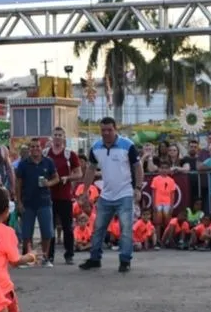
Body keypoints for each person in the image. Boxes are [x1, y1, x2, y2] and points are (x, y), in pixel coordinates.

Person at [79, 117, 143, 274]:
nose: (106, 133)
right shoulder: (95, 147)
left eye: (109, 130)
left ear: (116, 129)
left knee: (126, 229)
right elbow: (91, 169)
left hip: (125, 193)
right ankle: (95, 259)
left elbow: (138, 167)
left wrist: (138, 187)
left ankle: (125, 260)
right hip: (106, 195)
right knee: (98, 228)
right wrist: (85, 190)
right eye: (103, 130)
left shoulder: (127, 145)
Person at [14, 137, 58, 265]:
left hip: (44, 202)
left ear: (41, 148)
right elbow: (18, 184)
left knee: (47, 231)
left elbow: (57, 178)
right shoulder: (23, 163)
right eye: (32, 146)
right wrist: (19, 202)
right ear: (29, 149)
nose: (35, 149)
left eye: (37, 146)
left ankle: (45, 257)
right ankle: (28, 258)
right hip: (27, 202)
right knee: (27, 233)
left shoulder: (48, 162)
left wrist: (48, 183)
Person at [44, 128, 80, 264]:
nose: (57, 138)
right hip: (48, 196)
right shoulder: (45, 153)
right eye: (55, 135)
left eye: (60, 135)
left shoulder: (69, 154)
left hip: (64, 196)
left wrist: (67, 178)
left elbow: (79, 174)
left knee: (67, 227)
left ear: (64, 137)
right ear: (52, 137)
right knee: (49, 227)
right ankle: (49, 255)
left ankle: (69, 254)